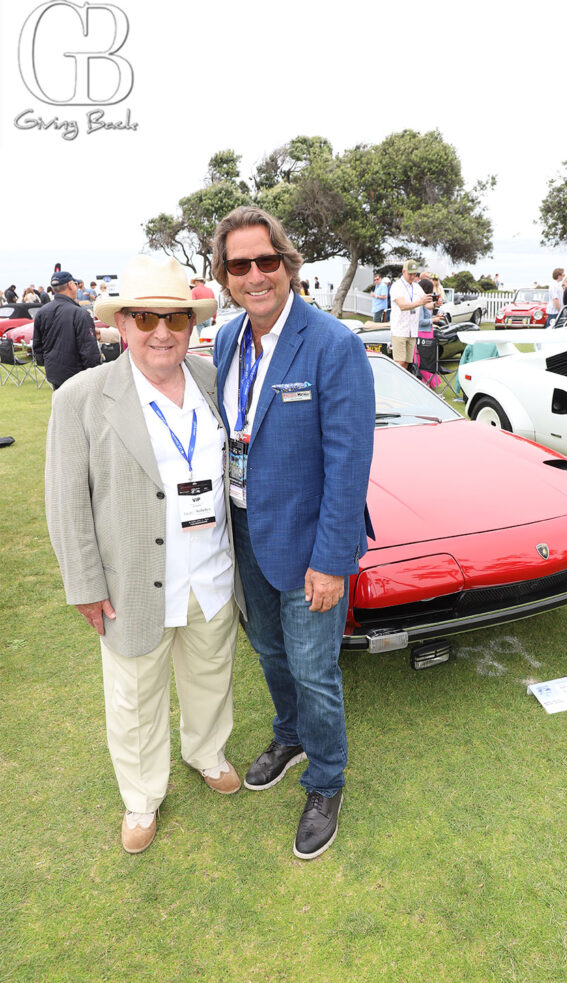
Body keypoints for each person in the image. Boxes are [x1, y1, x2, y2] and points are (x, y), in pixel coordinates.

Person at [45, 255, 244, 855]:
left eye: (175, 319)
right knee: (134, 696)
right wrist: (83, 582)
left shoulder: (213, 380)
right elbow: (65, 499)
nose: (162, 332)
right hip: (131, 578)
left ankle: (207, 752)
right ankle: (141, 797)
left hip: (211, 569)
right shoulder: (81, 397)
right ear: (122, 325)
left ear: (191, 325)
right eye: (146, 318)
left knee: (211, 675)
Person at [211, 205, 375, 859]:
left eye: (265, 260)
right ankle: (290, 734)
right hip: (245, 528)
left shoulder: (333, 344)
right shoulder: (226, 339)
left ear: (287, 264)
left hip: (311, 542)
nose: (254, 275)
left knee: (312, 668)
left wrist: (332, 561)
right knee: (271, 654)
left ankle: (325, 780)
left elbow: (348, 463)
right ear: (224, 274)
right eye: (239, 264)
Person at [32, 271, 101, 389]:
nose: (77, 286)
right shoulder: (79, 314)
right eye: (75, 283)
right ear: (70, 285)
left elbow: (37, 346)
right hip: (77, 377)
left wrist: (48, 362)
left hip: (55, 374)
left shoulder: (42, 312)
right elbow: (89, 351)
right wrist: (96, 375)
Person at [389, 259, 431, 369]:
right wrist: (420, 302)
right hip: (400, 330)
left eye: (414, 274)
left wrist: (436, 303)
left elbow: (427, 305)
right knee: (400, 363)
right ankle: (395, 385)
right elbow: (402, 306)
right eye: (410, 274)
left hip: (412, 331)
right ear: (403, 272)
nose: (412, 276)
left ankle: (402, 385)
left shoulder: (417, 287)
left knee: (407, 363)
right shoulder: (397, 286)